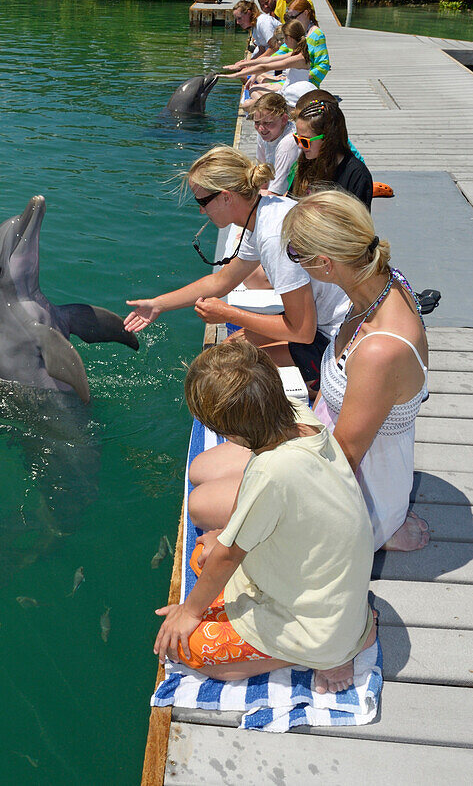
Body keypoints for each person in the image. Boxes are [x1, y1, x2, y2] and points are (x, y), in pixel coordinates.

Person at [154, 337, 375, 694]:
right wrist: (227, 534)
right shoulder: (297, 414)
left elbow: (228, 555)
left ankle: (327, 654)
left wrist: (191, 612)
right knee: (204, 555)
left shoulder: (272, 473)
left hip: (318, 625)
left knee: (190, 649)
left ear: (233, 433)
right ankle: (338, 639)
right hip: (329, 591)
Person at [124, 146, 350, 389]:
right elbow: (221, 281)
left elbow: (303, 331)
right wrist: (159, 304)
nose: (201, 210)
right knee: (230, 347)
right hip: (325, 324)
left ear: (226, 196)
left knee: (224, 370)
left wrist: (228, 314)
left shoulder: (274, 236)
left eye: (202, 201)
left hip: (338, 340)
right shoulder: (266, 210)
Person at [281, 191, 431, 552]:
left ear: (325, 263)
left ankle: (384, 531)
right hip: (329, 441)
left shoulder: (379, 350)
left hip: (358, 492)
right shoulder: (382, 281)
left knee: (209, 502)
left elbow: (342, 460)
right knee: (210, 470)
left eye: (295, 254)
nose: (294, 262)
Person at [290, 91, 373, 208]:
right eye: (297, 138)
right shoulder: (306, 162)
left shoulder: (356, 174)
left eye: (305, 141)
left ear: (328, 139)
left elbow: (357, 222)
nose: (299, 145)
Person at [253, 92, 300, 194]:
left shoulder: (288, 143)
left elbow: (277, 193)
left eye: (268, 123)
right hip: (274, 190)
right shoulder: (264, 133)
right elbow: (262, 173)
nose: (261, 129)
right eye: (257, 122)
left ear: (284, 119)